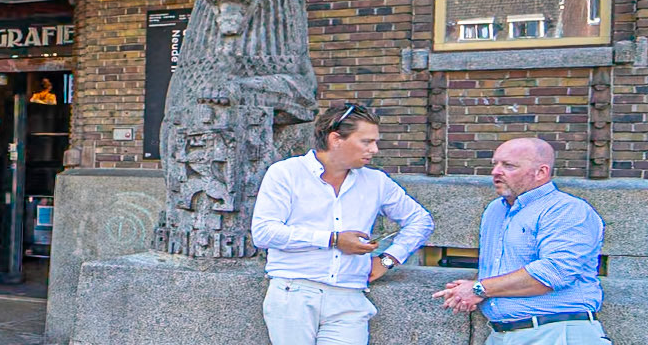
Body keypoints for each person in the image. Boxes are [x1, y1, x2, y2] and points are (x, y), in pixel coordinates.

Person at [251, 102, 434, 345]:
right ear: (336, 139)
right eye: (366, 141)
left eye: (375, 141)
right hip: (293, 293)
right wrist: (333, 239)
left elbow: (421, 220)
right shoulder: (285, 173)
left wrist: (389, 259)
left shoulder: (376, 181)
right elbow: (264, 233)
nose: (375, 149)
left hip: (349, 298)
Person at [436, 137, 610, 342]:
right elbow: (498, 271)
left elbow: (554, 273)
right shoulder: (495, 210)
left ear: (541, 172)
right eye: (495, 164)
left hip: (554, 333)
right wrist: (476, 289)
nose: (495, 172)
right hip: (501, 335)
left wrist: (478, 288)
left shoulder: (566, 209)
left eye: (508, 166)